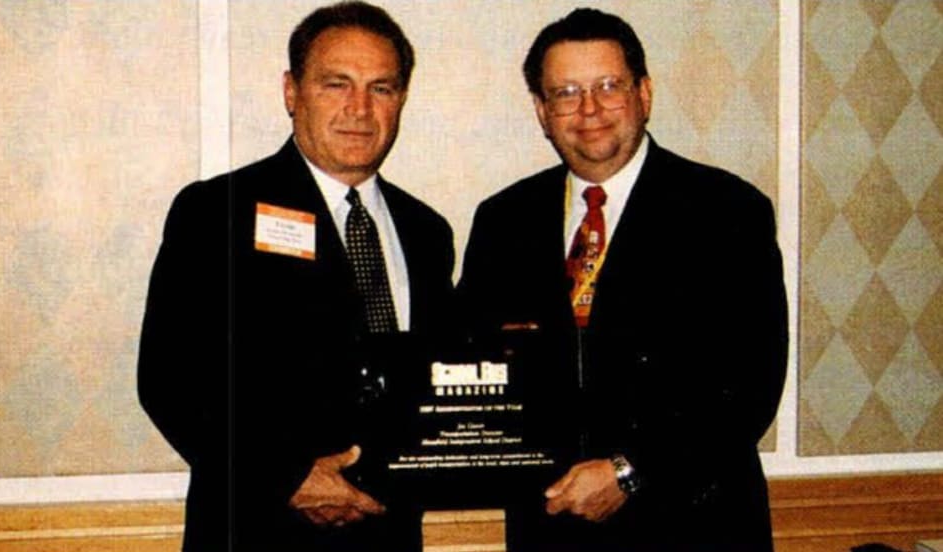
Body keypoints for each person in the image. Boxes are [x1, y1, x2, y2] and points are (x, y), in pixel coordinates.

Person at [457, 8, 788, 552]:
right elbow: (473, 365)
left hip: (695, 527)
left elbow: (749, 387)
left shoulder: (726, 211)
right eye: (565, 92)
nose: (589, 109)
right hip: (552, 531)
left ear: (645, 94)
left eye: (608, 86)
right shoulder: (503, 221)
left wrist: (629, 472)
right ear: (542, 112)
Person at [137, 2, 454, 550]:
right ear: (291, 91)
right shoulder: (219, 212)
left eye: (381, 88)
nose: (360, 109)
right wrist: (286, 479)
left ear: (402, 99)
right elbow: (170, 378)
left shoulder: (427, 231)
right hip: (258, 529)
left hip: (390, 535)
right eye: (336, 84)